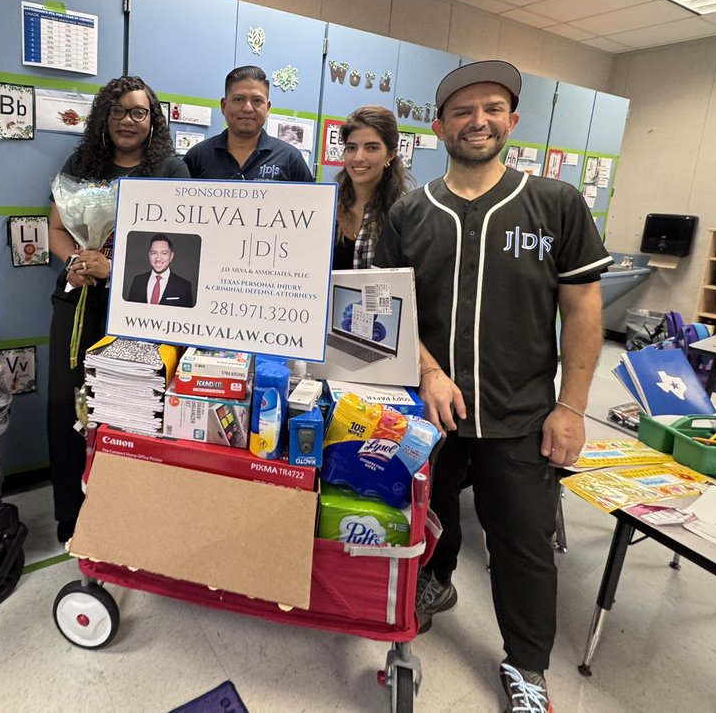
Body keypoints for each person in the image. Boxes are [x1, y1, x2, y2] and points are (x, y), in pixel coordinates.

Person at [373, 60, 611, 713]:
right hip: (432, 415)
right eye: (462, 110)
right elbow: (392, 308)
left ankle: (527, 668)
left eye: (492, 108)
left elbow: (584, 310)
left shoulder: (557, 203)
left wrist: (571, 407)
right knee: (425, 524)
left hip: (522, 415)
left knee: (524, 548)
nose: (478, 121)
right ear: (439, 123)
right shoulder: (410, 211)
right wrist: (428, 370)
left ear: (512, 119)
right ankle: (435, 584)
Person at [47, 75, 189, 542]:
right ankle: (72, 513)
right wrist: (75, 261)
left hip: (140, 306)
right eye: (119, 111)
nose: (128, 121)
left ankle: (125, 511)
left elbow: (180, 244)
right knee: (67, 403)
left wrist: (116, 268)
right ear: (103, 117)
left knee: (131, 407)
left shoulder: (171, 170)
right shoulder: (81, 162)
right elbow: (56, 226)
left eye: (139, 112)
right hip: (78, 296)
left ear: (152, 119)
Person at [183, 66, 314, 181]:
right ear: (224, 105)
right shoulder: (197, 157)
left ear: (268, 108)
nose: (247, 108)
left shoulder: (290, 159)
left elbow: (313, 205)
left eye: (257, 100)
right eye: (239, 99)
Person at [331, 106, 411, 269]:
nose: (359, 157)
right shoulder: (328, 205)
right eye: (351, 148)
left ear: (390, 154)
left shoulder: (402, 213)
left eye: (371, 148)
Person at [126, 234, 194, 306]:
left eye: (164, 253)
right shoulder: (138, 281)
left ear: (171, 256)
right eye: (154, 253)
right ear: (149, 255)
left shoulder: (184, 286)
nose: (158, 258)